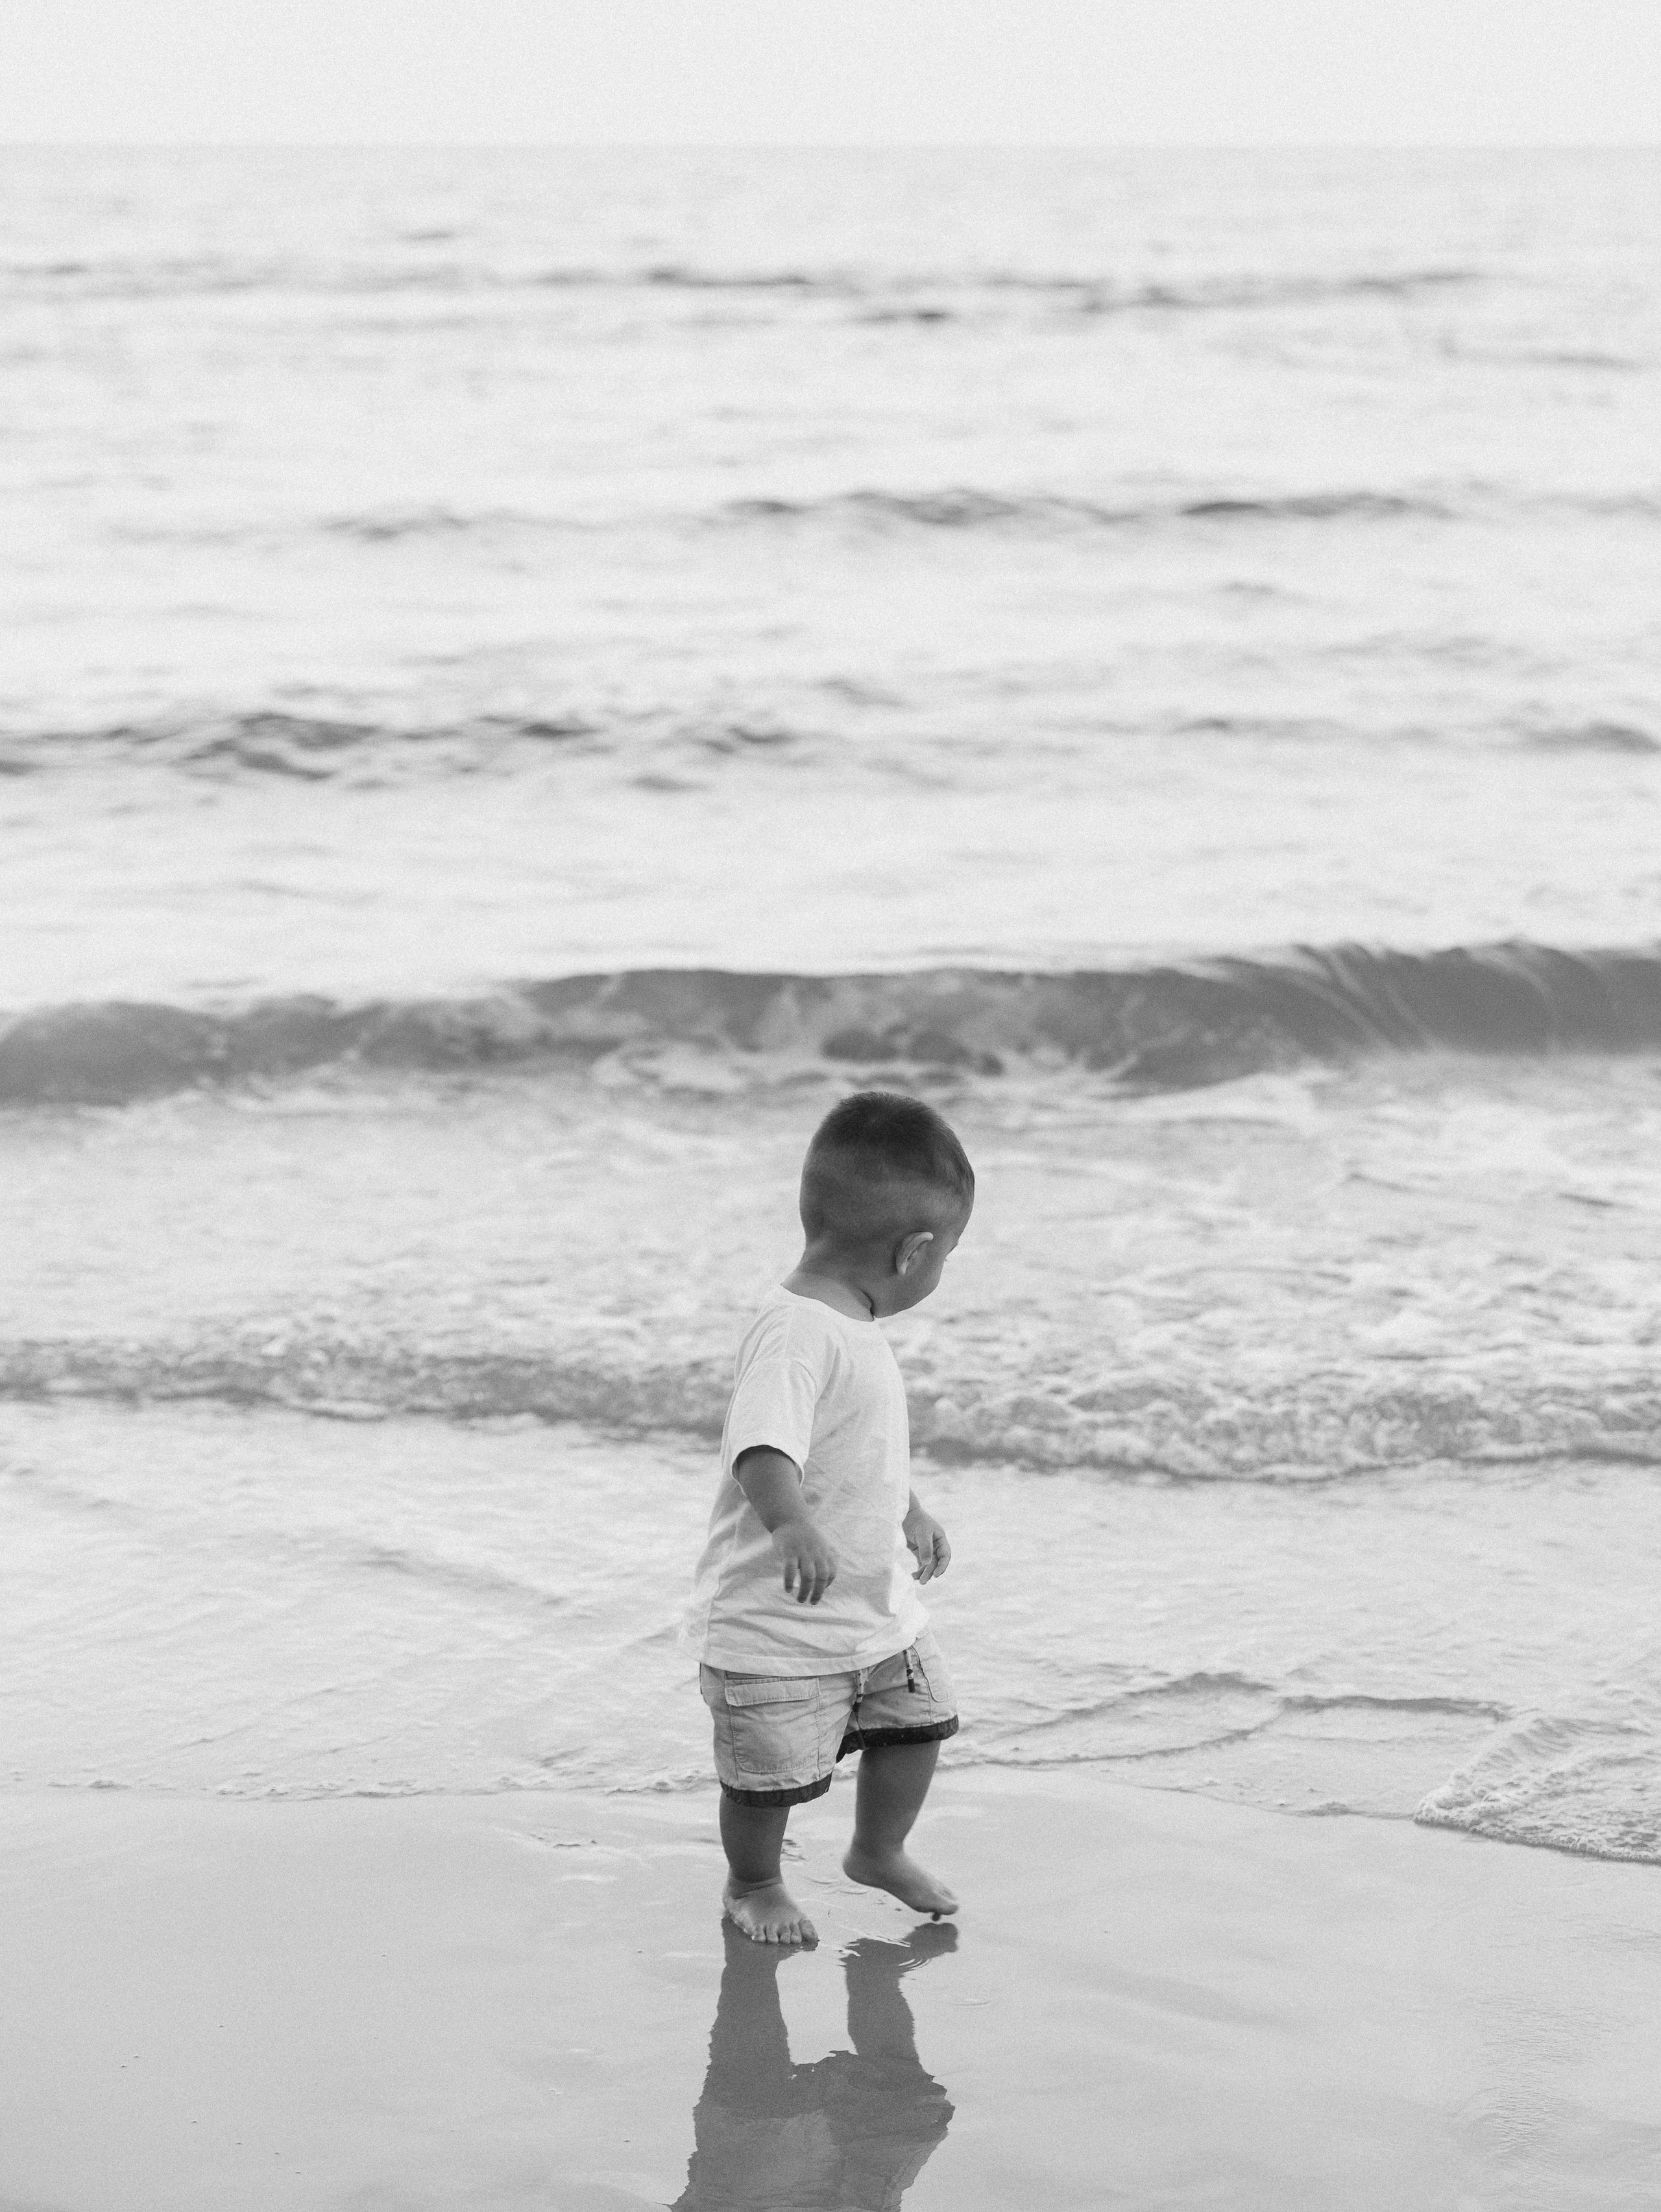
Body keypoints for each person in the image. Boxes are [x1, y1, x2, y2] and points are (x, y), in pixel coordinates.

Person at [686, 1090, 972, 1945]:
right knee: (764, 1779)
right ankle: (755, 1880)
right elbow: (764, 1445)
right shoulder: (795, 1330)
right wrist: (790, 1525)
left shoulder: (854, 1328)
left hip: (874, 1615)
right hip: (779, 1624)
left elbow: (858, 1447)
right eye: (946, 1255)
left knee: (922, 1722)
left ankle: (877, 1848)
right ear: (914, 1250)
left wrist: (911, 1508)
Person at [672, 1919, 956, 2210]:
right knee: (899, 2096)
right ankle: (869, 1975)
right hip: (769, 2173)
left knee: (749, 2094)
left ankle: (759, 1951)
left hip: (757, 2173)